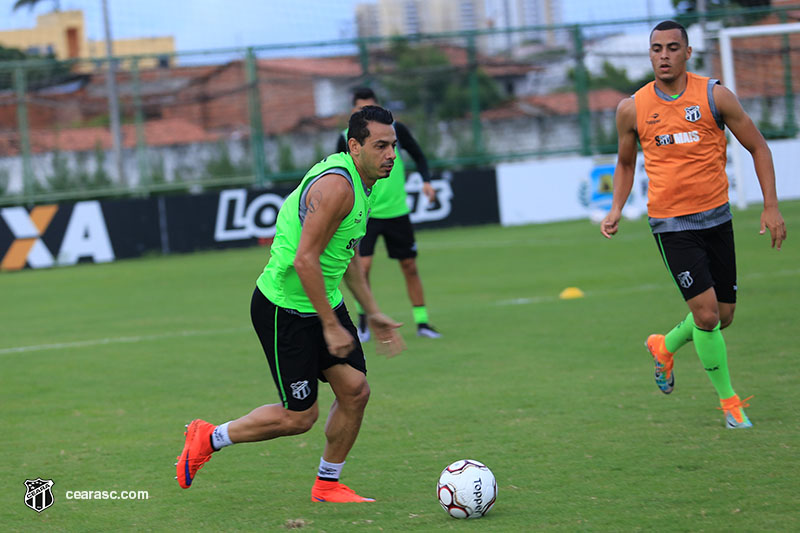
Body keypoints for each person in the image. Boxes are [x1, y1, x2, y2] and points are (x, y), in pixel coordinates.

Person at [176, 105, 406, 502]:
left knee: (355, 391)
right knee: (299, 418)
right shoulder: (336, 188)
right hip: (284, 308)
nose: (391, 155)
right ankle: (209, 437)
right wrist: (330, 326)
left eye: (394, 145)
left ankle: (327, 484)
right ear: (354, 146)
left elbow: (344, 254)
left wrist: (373, 310)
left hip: (321, 301)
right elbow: (305, 260)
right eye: (380, 146)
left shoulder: (365, 185)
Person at [600, 20, 787, 429]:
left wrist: (770, 206)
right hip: (671, 225)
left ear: (687, 53)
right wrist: (615, 208)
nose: (664, 56)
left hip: (717, 218)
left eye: (672, 48)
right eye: (656, 49)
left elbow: (758, 147)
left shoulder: (715, 96)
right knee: (706, 316)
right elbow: (626, 163)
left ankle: (664, 346)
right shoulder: (632, 108)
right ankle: (731, 405)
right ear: (649, 55)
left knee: (724, 315)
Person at [336, 87, 441, 341]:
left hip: (397, 212)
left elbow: (418, 156)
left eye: (369, 107)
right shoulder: (346, 138)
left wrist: (426, 181)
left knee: (410, 266)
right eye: (360, 108)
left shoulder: (395, 130)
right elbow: (341, 173)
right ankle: (364, 323)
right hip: (367, 214)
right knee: (362, 268)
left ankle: (422, 322)